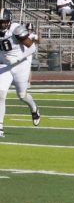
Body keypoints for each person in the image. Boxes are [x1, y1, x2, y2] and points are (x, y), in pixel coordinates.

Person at [0, 9, 42, 138]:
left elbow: (32, 47)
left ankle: (34, 108)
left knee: (22, 95)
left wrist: (17, 59)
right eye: (0, 22)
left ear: (9, 21)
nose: (2, 24)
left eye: (4, 22)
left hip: (20, 64)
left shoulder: (16, 29)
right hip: (4, 65)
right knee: (0, 95)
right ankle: (0, 126)